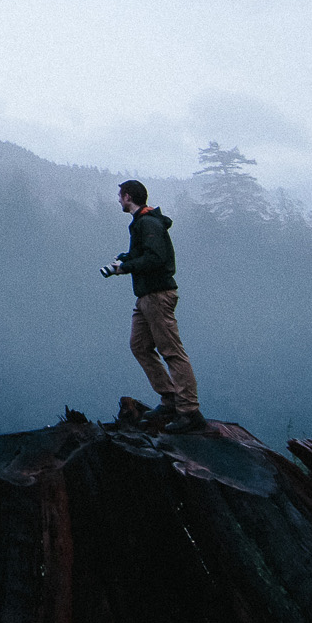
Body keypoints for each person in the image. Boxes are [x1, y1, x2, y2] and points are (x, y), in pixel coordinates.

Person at [100, 179, 204, 434]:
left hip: (158, 295)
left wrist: (126, 267)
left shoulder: (147, 223)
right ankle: (169, 398)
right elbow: (146, 254)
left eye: (120, 195)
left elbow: (157, 258)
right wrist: (126, 259)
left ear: (127, 196)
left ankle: (189, 411)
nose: (118, 200)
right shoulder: (142, 223)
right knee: (140, 346)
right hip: (146, 297)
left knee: (171, 351)